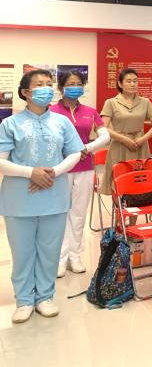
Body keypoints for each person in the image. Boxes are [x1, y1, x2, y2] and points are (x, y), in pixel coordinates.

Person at [0, 70, 84, 324]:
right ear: (26, 92)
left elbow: (75, 152)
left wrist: (54, 172)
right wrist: (30, 173)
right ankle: (24, 300)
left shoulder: (62, 122)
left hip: (54, 195)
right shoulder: (10, 124)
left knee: (50, 250)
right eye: (39, 85)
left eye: (49, 84)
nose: (47, 88)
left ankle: (45, 297)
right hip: (19, 198)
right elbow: (1, 161)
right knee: (22, 252)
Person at [51, 70, 110, 277]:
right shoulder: (51, 111)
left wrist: (87, 148)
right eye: (70, 83)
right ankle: (60, 259)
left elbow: (105, 136)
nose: (75, 87)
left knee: (78, 214)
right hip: (60, 168)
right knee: (60, 214)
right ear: (61, 88)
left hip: (85, 167)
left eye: (79, 83)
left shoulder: (90, 111)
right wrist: (68, 151)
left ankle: (75, 257)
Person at [100, 68, 152, 195]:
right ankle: (119, 208)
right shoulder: (111, 102)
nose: (133, 84)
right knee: (119, 184)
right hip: (119, 146)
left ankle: (138, 207)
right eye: (128, 81)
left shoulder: (145, 102)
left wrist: (143, 139)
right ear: (120, 84)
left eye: (135, 81)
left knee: (141, 183)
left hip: (140, 145)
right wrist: (125, 140)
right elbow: (103, 127)